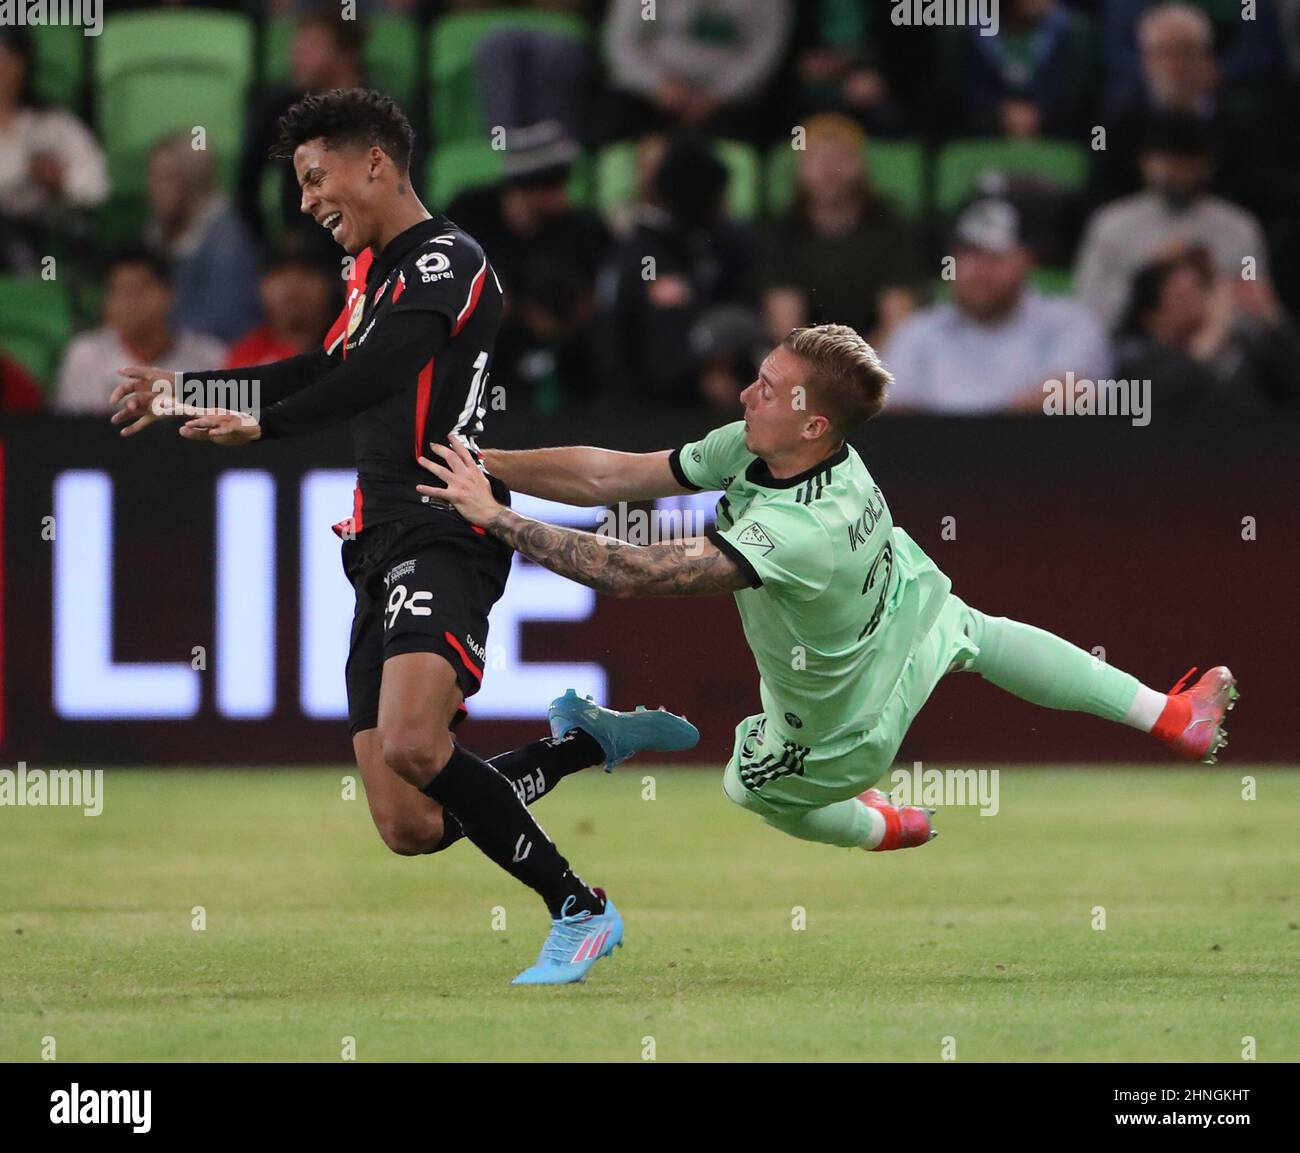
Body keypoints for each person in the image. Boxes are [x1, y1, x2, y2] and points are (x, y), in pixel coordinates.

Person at [109, 88, 696, 986]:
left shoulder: (447, 263)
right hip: (375, 540)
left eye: (315, 178)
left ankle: (579, 904)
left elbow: (379, 370)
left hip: (444, 521)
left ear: (374, 162)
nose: (307, 202)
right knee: (409, 821)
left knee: (417, 744)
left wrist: (263, 430)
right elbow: (323, 366)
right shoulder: (371, 275)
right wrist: (190, 387)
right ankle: (582, 744)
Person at [419, 323, 1237, 857]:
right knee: (980, 635)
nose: (746, 395)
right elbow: (612, 475)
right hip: (909, 621)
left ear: (813, 424)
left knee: (750, 782)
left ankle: (882, 823)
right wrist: (484, 464)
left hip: (843, 734)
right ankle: (1170, 715)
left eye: (769, 390)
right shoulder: (782, 448)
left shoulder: (798, 531)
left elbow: (628, 569)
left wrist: (496, 520)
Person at [884, 198, 1110, 413]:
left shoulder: (1070, 322)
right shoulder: (918, 329)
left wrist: (985, 435)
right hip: (931, 452)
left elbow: (1074, 390)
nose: (980, 270)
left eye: (995, 257)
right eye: (969, 256)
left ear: (1025, 262)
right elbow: (894, 406)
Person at [54, 249, 226, 415]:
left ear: (169, 294)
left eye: (140, 290)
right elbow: (75, 432)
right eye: (121, 292)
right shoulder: (84, 355)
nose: (131, 303)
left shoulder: (210, 356)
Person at [0, 26, 108, 272]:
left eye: (7, 57)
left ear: (25, 65)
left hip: (42, 236)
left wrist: (61, 180)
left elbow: (95, 187)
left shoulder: (55, 125)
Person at [145, 134, 263, 344]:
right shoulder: (155, 235)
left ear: (194, 181)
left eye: (167, 178)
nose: (154, 189)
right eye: (152, 177)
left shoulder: (227, 243)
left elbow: (222, 322)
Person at [225, 249, 339, 369]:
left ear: (329, 284)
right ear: (261, 286)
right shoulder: (245, 358)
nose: (294, 288)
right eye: (279, 272)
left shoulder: (349, 349)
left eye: (308, 271)